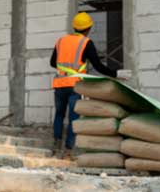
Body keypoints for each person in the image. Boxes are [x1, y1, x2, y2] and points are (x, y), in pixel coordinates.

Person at [49, 12, 117, 153]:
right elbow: (98, 65)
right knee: (74, 118)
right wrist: (115, 74)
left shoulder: (61, 41)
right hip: (75, 86)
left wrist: (65, 70)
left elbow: (52, 62)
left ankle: (56, 146)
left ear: (74, 27)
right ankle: (68, 150)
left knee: (59, 115)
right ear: (88, 28)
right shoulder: (86, 43)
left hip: (60, 85)